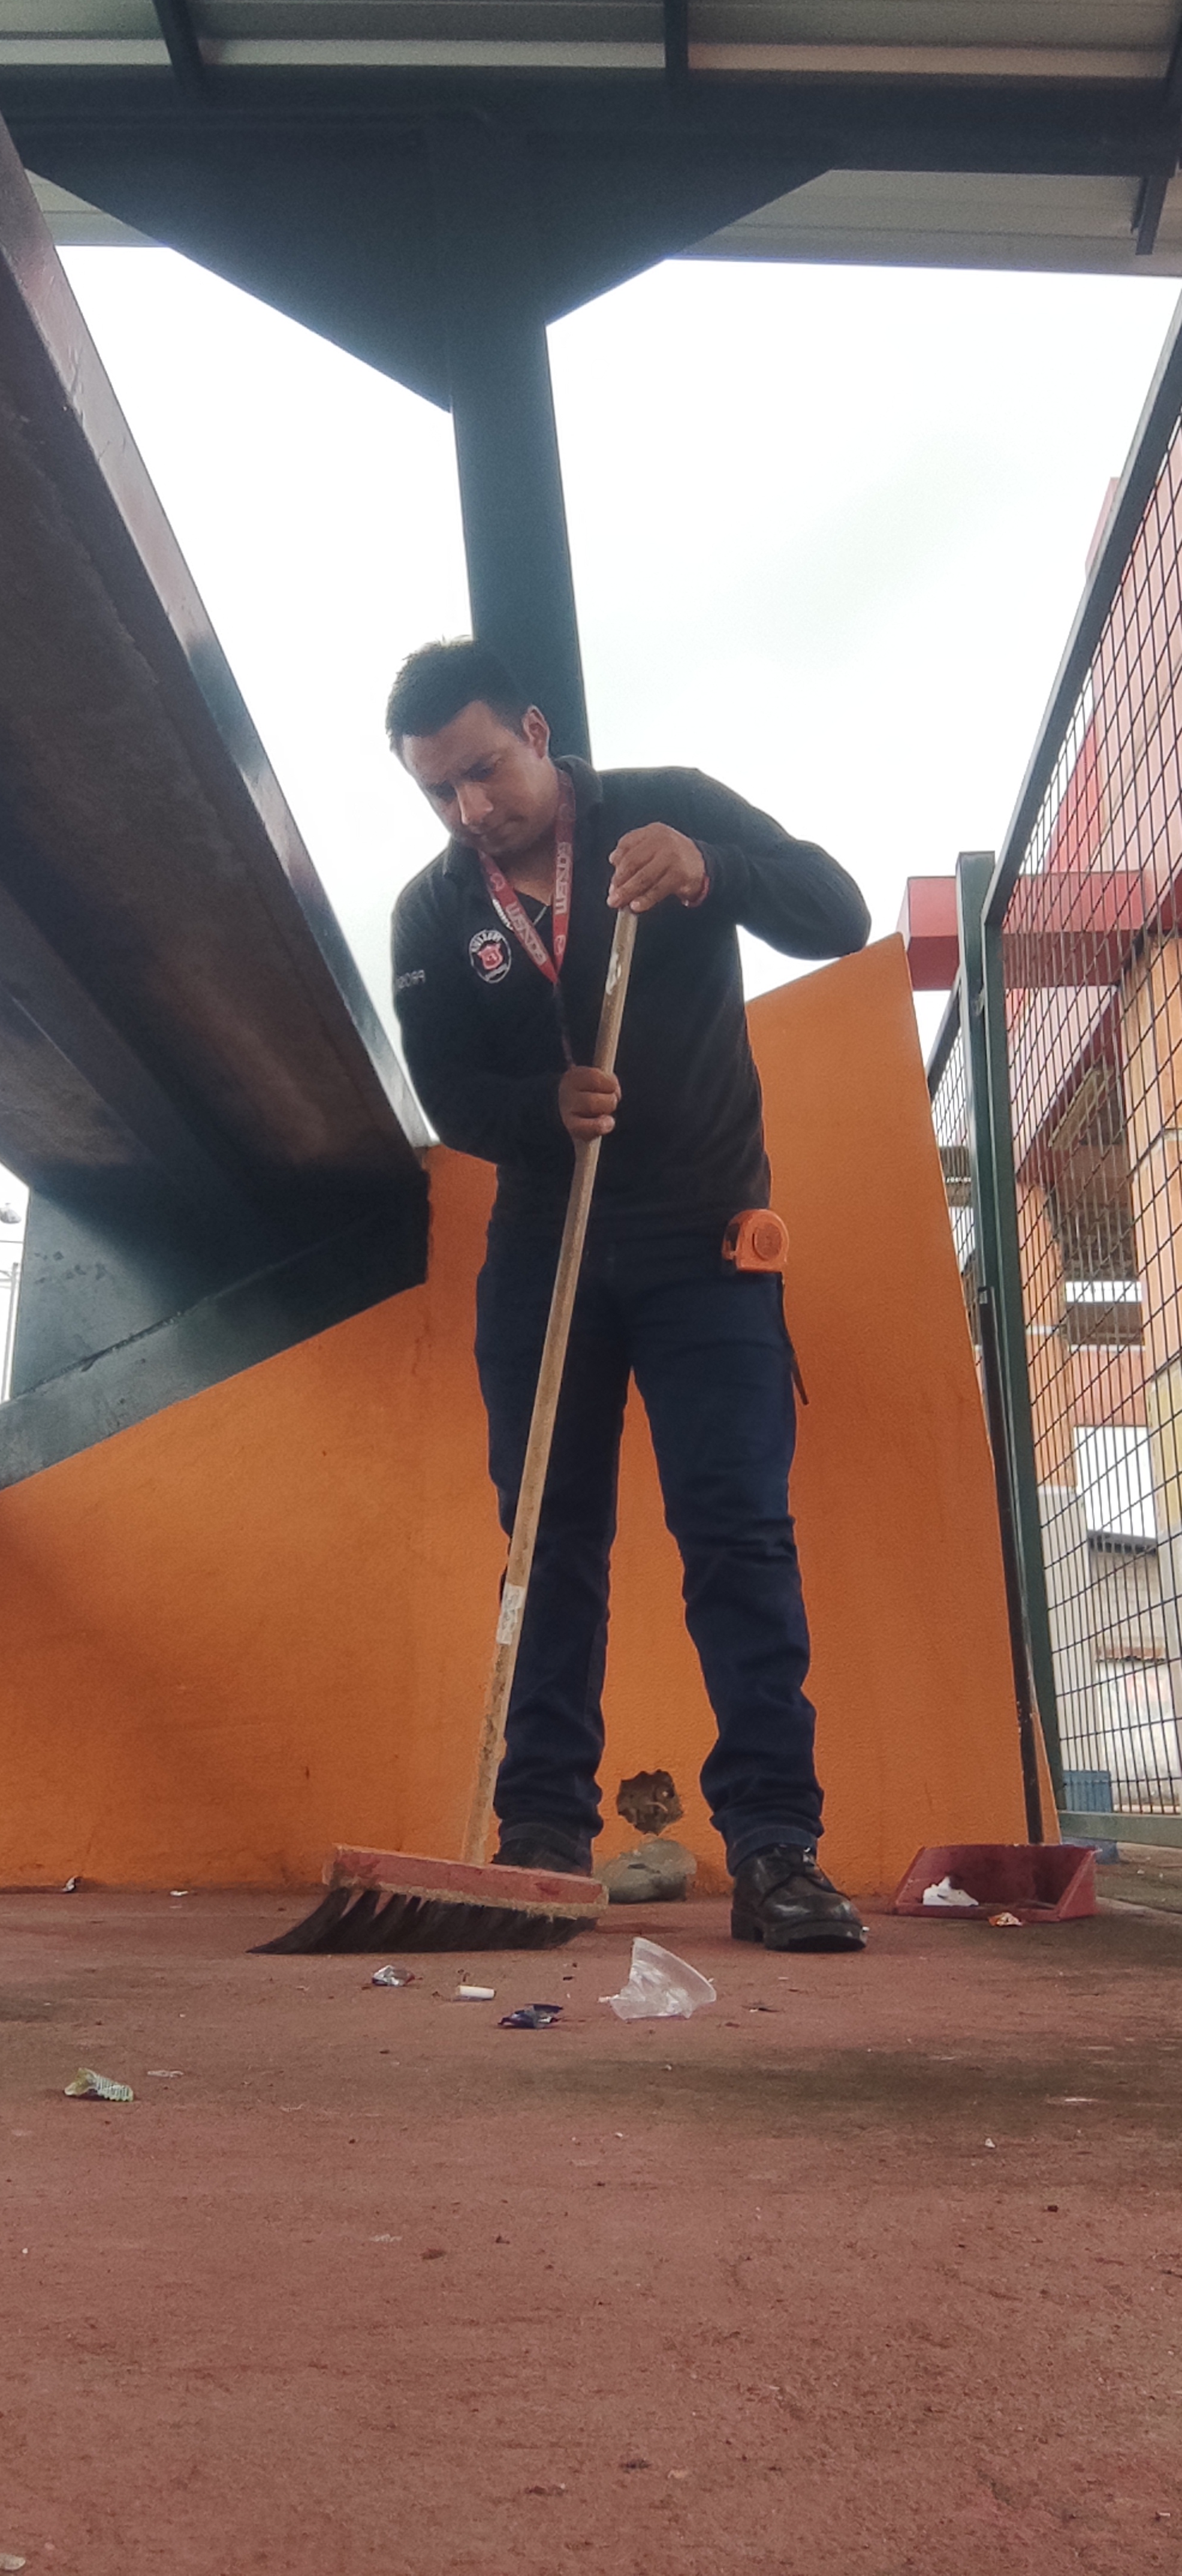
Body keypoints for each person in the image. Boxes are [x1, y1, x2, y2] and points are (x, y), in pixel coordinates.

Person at [387, 637, 872, 1951]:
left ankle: (776, 1847)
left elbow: (837, 913)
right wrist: (541, 1109)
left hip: (705, 1244)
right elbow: (448, 1093)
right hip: (545, 1253)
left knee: (738, 1538)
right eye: (437, 790)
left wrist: (714, 868)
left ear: (537, 732)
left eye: (484, 770)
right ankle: (541, 1839)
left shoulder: (667, 810)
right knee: (549, 1545)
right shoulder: (433, 911)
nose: (469, 808)